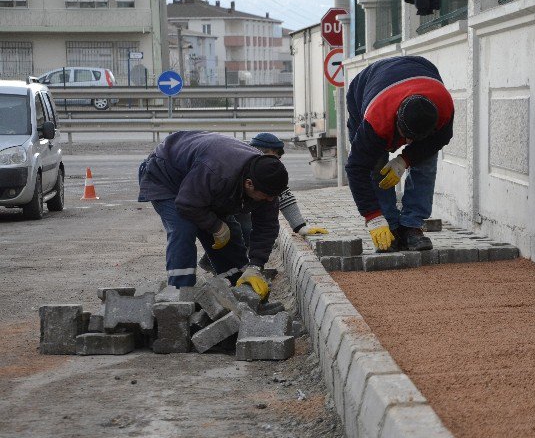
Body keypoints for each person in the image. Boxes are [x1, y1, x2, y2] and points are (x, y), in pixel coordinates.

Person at [138, 130, 289, 302]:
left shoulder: (267, 183)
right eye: (266, 196)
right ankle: (179, 294)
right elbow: (187, 204)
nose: (270, 200)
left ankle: (238, 285)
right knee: (184, 228)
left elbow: (266, 227)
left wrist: (255, 266)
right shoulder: (218, 171)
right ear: (249, 184)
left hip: (201, 182)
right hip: (166, 174)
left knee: (229, 232)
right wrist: (215, 226)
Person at [345, 56, 454, 253]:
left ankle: (412, 226)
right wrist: (373, 217)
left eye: (415, 140)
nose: (409, 143)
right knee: (376, 165)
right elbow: (356, 168)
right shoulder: (375, 121)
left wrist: (405, 159)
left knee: (426, 161)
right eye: (407, 138)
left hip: (421, 73)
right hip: (364, 88)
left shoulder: (443, 107)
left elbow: (439, 140)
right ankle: (390, 226)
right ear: (396, 122)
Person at [198, 132, 328, 274]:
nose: (275, 160)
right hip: (222, 206)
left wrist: (300, 226)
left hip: (239, 208)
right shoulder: (241, 164)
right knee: (237, 232)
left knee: (246, 232)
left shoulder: (270, 171)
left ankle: (241, 267)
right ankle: (219, 264)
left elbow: (284, 197)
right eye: (272, 155)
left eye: (277, 157)